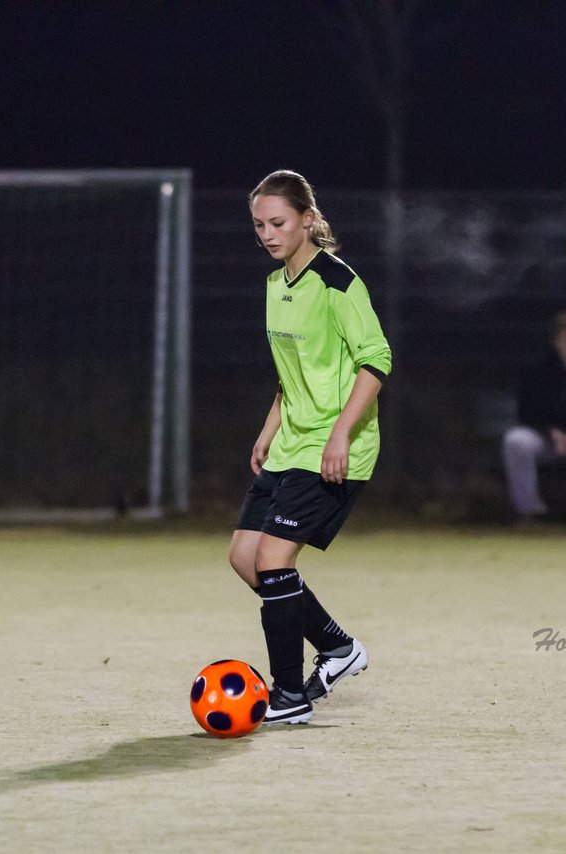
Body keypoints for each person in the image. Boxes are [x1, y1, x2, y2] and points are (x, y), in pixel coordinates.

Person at [229, 170, 392, 725]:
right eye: (259, 225)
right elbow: (291, 372)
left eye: (278, 223)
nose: (268, 234)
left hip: (334, 448)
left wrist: (342, 432)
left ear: (307, 220)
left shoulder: (340, 284)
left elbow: (376, 362)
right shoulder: (276, 286)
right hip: (290, 443)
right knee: (244, 559)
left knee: (274, 559)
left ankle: (290, 695)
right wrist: (268, 428)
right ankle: (340, 650)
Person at [502, 309, 566, 520]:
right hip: (547, 441)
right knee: (516, 442)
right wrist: (553, 435)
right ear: (556, 340)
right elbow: (528, 412)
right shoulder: (538, 368)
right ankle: (528, 511)